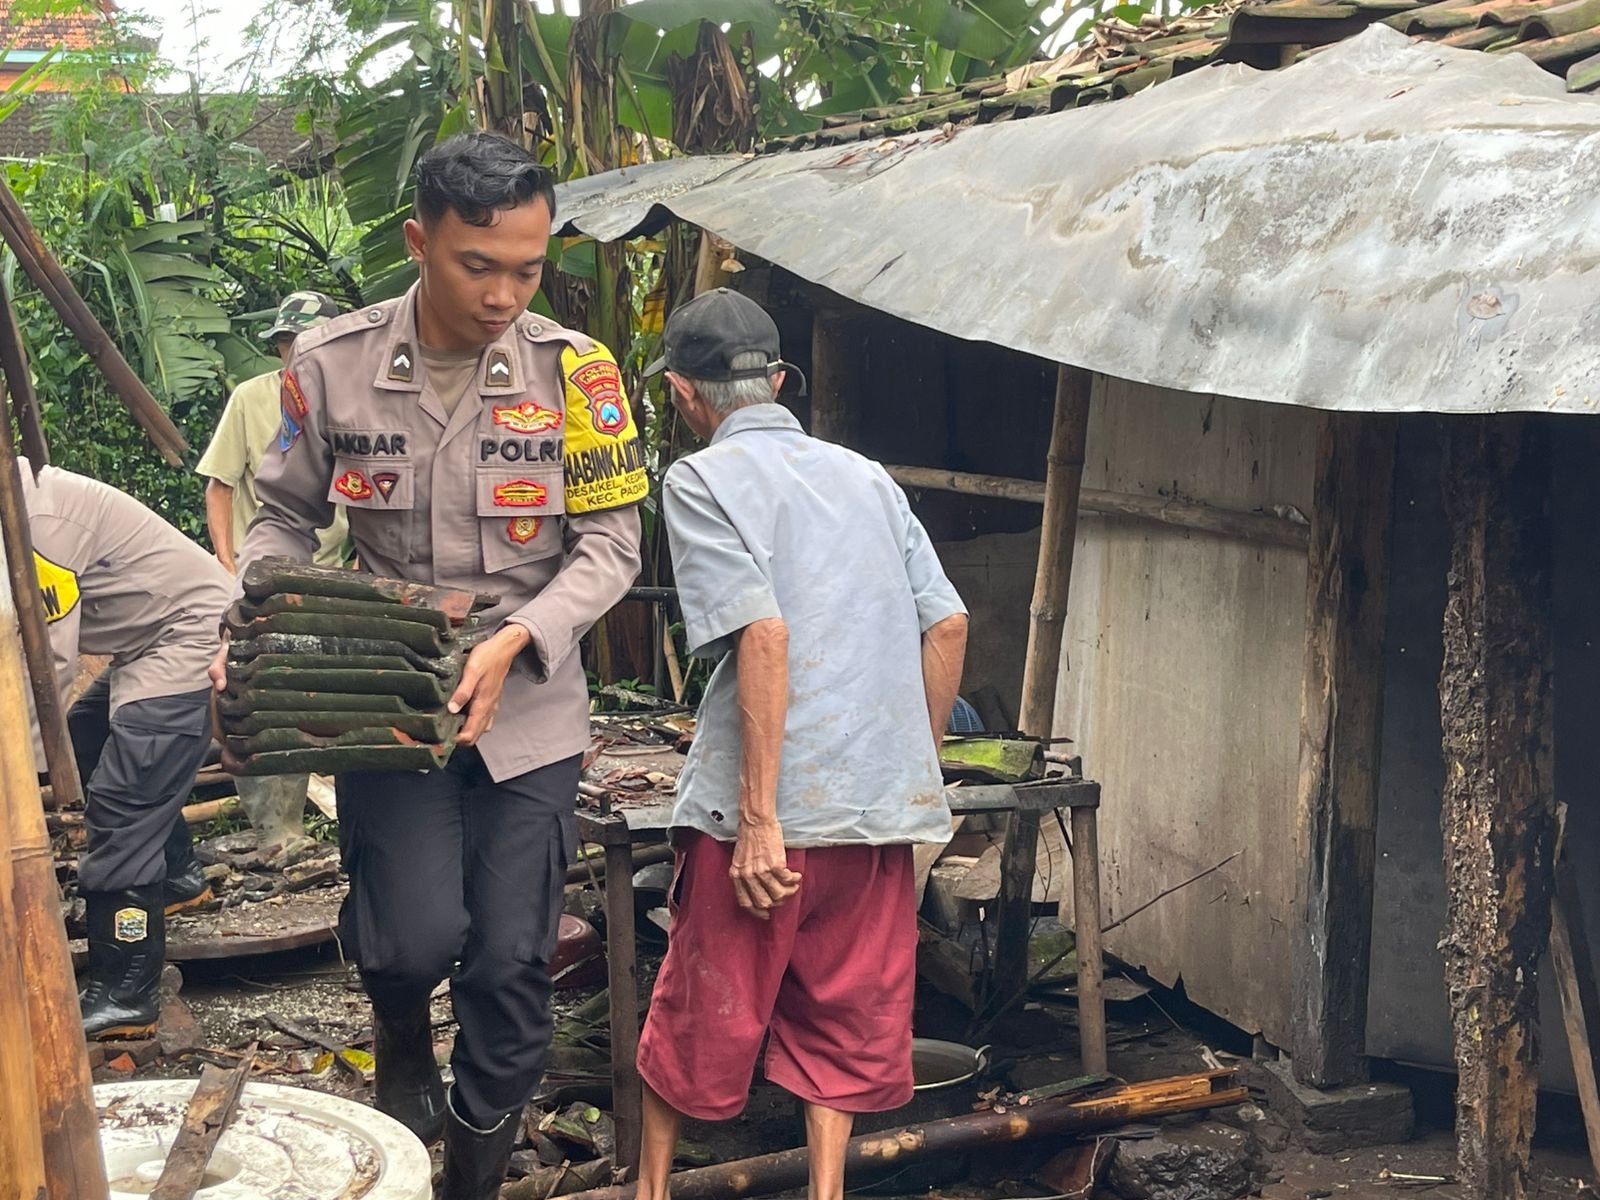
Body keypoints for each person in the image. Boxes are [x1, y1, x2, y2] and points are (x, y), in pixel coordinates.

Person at [213, 132, 645, 1198]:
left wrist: (516, 638)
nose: (504, 295)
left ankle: (469, 1178)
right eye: (477, 265)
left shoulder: (578, 373)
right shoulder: (330, 367)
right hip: (387, 705)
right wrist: (259, 626)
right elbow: (279, 522)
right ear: (419, 241)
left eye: (527, 270)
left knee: (509, 963)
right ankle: (401, 1027)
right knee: (408, 943)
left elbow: (611, 548)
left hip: (529, 709)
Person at [634, 289, 970, 1200]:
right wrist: (905, 771)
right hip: (869, 818)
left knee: (699, 1015)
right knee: (843, 1025)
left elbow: (764, 633)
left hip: (763, 824)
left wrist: (758, 821)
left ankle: (649, 1192)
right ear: (778, 381)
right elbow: (947, 625)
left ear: (683, 393)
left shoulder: (700, 480)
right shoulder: (867, 477)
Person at [19, 459, 233, 1039]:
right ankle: (179, 876)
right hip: (149, 636)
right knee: (88, 738)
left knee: (122, 803)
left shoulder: (38, 523)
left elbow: (45, 667)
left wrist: (22, 786)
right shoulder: (21, 502)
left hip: (192, 635)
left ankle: (125, 992)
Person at [197, 290, 350, 860]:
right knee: (262, 697)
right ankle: (276, 833)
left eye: (304, 342)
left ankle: (345, 821)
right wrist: (227, 561)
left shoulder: (356, 397)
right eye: (287, 342)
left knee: (328, 700)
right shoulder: (253, 397)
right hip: (264, 577)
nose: (295, 352)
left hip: (334, 579)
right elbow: (220, 484)